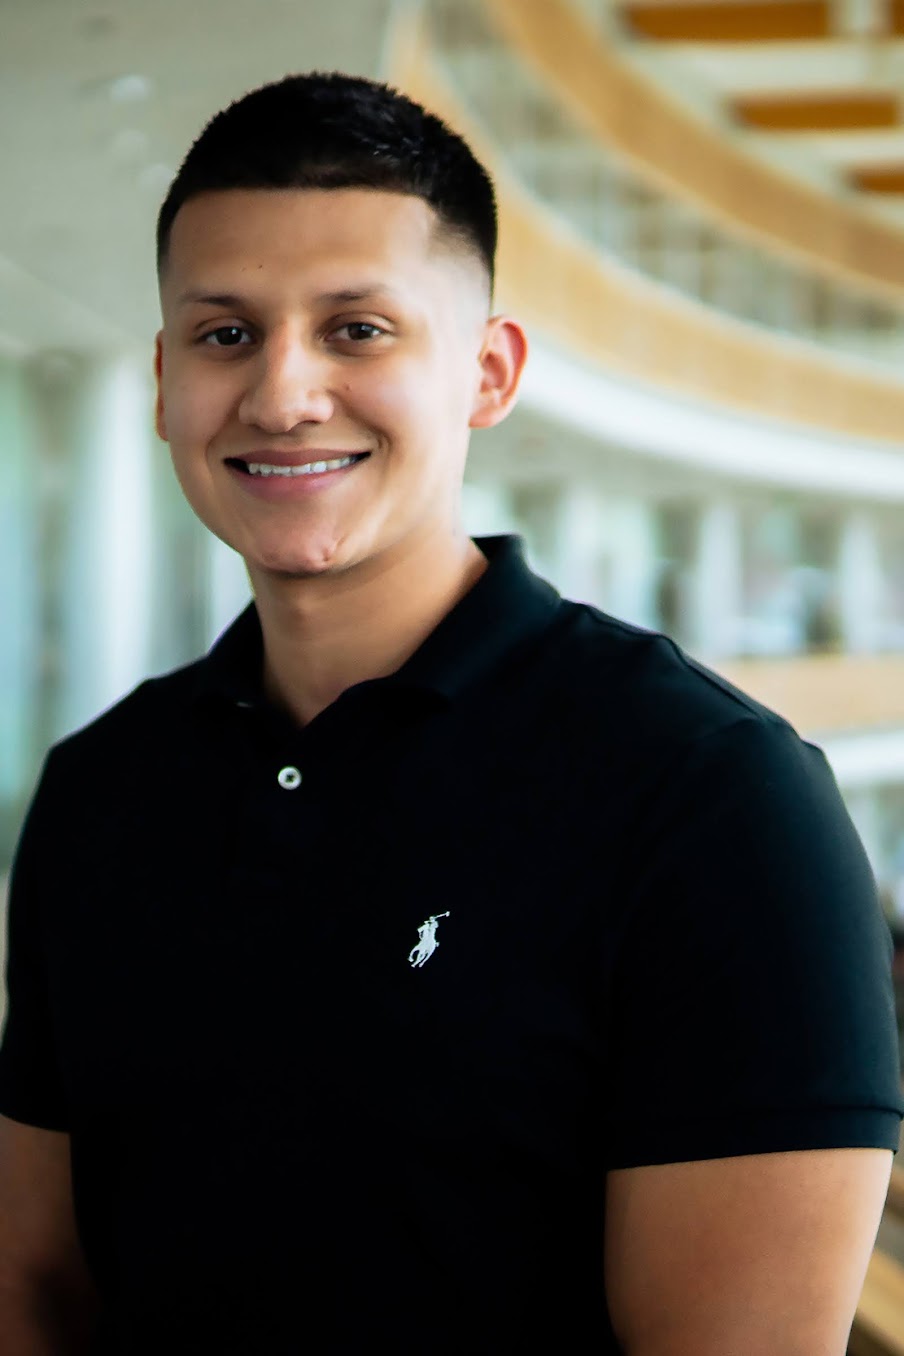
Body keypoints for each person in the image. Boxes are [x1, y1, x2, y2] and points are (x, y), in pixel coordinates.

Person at [0, 71, 901, 1356]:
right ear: (160, 380)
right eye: (224, 334)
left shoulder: (712, 796)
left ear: (487, 372)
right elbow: (36, 1289)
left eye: (358, 330)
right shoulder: (101, 789)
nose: (282, 395)